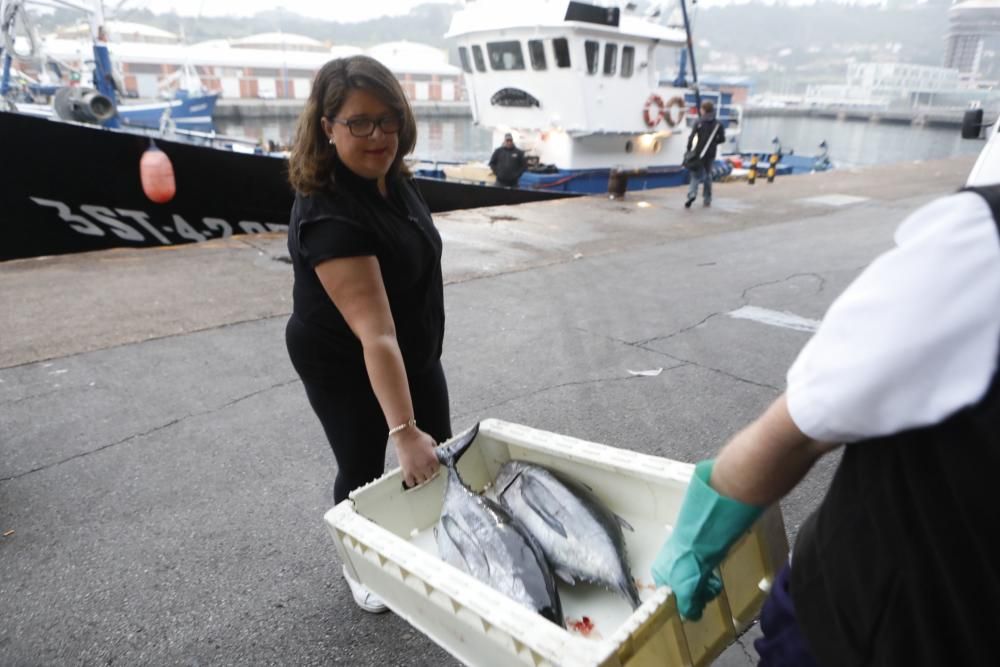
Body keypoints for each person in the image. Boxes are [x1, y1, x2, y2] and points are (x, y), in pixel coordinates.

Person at [651, 181, 1000, 665]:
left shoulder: (982, 248)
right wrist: (695, 544)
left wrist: (693, 545)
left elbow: (798, 434)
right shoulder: (979, 249)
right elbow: (805, 428)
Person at [285, 55, 452, 614]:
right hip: (343, 357)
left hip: (411, 348)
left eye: (388, 119)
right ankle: (358, 562)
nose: (378, 134)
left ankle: (431, 540)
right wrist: (402, 430)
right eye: (359, 122)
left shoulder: (391, 178)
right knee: (362, 465)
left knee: (440, 448)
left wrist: (418, 431)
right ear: (327, 127)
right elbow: (375, 334)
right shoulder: (330, 215)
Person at [684, 101, 725, 208]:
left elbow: (692, 137)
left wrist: (688, 149)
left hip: (699, 153)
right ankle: (707, 199)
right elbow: (722, 139)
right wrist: (714, 142)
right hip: (711, 153)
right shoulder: (718, 124)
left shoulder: (698, 122)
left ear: (704, 110)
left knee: (695, 175)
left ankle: (692, 195)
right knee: (708, 176)